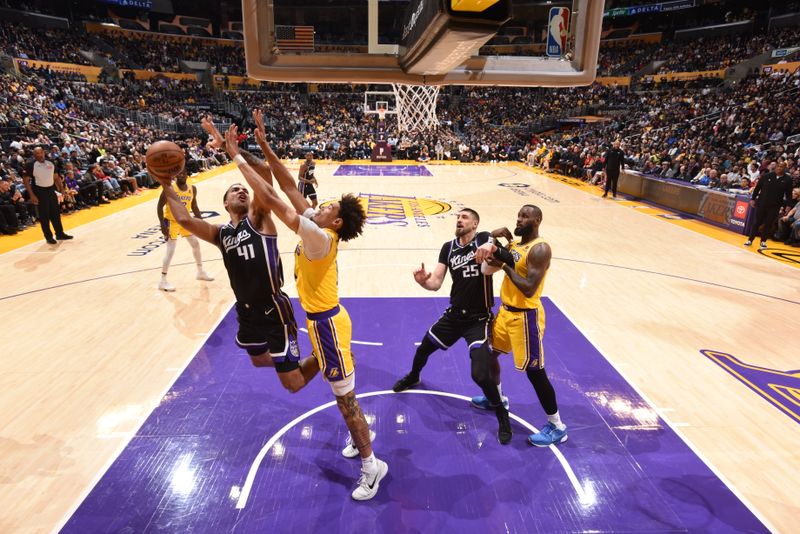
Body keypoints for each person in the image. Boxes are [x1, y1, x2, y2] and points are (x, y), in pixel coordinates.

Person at [244, 112, 388, 501]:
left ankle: (372, 465)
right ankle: (364, 447)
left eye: (324, 206)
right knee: (340, 394)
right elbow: (289, 187)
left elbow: (274, 199)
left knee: (346, 400)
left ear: (336, 221)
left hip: (327, 325)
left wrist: (236, 158)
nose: (315, 206)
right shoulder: (319, 227)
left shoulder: (319, 237)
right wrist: (264, 147)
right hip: (321, 321)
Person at [153, 118, 320, 405]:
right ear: (226, 204)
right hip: (245, 311)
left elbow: (265, 173)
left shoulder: (259, 217)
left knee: (292, 384)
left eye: (243, 189)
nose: (241, 191)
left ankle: (324, 354)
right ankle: (286, 359)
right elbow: (182, 218)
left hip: (272, 309)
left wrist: (234, 151)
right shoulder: (220, 233)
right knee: (257, 360)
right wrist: (165, 183)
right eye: (234, 191)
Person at [392, 208, 513, 443]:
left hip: (479, 319)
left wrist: (493, 247)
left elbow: (506, 256)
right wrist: (423, 282)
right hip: (454, 316)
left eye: (465, 217)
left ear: (475, 223)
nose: (459, 220)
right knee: (423, 348)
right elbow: (436, 283)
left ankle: (501, 412)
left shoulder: (484, 238)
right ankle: (414, 376)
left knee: (479, 374)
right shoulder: (448, 247)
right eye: (457, 217)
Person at [474, 204, 568, 447]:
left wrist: (504, 264)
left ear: (537, 221)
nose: (519, 219)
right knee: (490, 353)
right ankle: (499, 397)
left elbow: (528, 287)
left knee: (535, 372)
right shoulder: (515, 245)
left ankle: (557, 426)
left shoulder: (540, 249)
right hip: (505, 313)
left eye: (525, 216)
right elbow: (487, 249)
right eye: (518, 215)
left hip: (526, 317)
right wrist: (493, 238)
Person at [156, 170, 215, 292]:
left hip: (184, 221)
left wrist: (202, 222)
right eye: (179, 174)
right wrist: (162, 224)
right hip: (171, 222)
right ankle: (162, 280)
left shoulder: (192, 188)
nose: (181, 175)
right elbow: (159, 206)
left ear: (187, 175)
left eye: (183, 173)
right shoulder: (170, 189)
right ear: (175, 175)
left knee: (195, 244)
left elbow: (194, 207)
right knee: (170, 251)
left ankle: (200, 272)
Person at [22, 147, 72, 244]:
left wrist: (61, 189)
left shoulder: (51, 162)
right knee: (44, 215)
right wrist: (32, 195)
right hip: (39, 191)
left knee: (55, 213)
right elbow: (26, 181)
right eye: (36, 154)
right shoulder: (30, 165)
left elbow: (56, 177)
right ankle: (48, 237)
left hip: (51, 189)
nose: (39, 155)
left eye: (40, 153)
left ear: (43, 153)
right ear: (34, 155)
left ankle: (59, 233)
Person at [744, 162, 793, 248]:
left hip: (775, 205)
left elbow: (788, 194)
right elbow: (758, 187)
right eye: (778, 166)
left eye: (782, 167)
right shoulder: (767, 176)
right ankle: (750, 240)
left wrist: (788, 205)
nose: (780, 168)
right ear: (776, 167)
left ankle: (763, 241)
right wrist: (753, 199)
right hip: (762, 203)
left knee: (768, 223)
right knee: (756, 222)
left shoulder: (788, 179)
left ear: (785, 168)